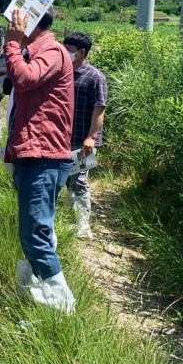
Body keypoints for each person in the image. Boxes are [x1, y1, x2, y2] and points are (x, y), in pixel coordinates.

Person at [4, 8, 76, 313]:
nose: (11, 25)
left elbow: (23, 78)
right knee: (33, 230)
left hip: (42, 153)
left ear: (29, 23)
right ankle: (36, 296)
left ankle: (61, 306)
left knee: (35, 232)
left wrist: (11, 43)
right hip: (33, 152)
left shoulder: (53, 51)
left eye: (16, 20)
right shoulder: (37, 51)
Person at [64, 32, 107, 239]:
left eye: (69, 50)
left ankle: (82, 225)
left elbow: (99, 109)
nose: (65, 53)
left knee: (78, 180)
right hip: (61, 138)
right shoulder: (62, 73)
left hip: (82, 140)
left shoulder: (94, 77)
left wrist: (91, 137)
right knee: (63, 179)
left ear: (81, 52)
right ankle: (68, 218)